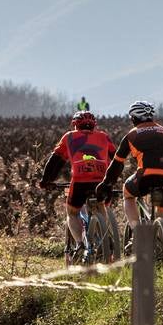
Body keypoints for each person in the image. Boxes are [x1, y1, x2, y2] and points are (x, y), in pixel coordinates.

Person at [39, 110, 118, 256]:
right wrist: (112, 179)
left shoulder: (69, 137)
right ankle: (105, 239)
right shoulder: (104, 137)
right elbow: (116, 158)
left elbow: (55, 161)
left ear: (75, 125)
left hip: (80, 181)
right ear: (94, 126)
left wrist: (46, 180)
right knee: (101, 206)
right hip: (102, 180)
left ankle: (80, 245)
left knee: (72, 213)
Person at [96, 101, 163, 230]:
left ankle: (138, 232)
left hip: (145, 176)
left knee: (128, 193)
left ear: (133, 118)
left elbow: (117, 163)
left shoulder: (131, 135)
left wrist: (107, 183)